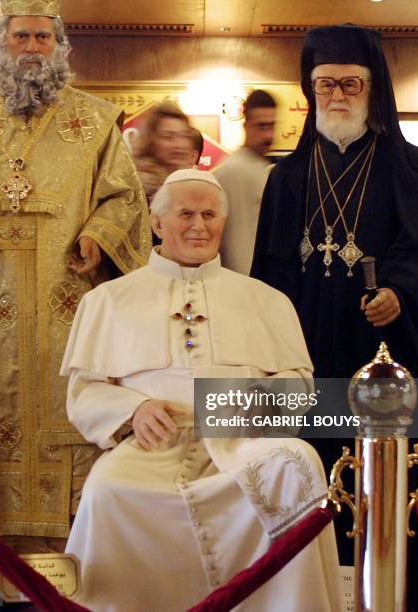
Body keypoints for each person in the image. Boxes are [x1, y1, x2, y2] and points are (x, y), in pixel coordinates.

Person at [0, 0, 150, 572]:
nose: (32, 48)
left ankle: (75, 563)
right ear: (2, 44)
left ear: (60, 47)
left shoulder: (98, 122)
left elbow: (124, 196)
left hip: (67, 294)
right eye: (22, 36)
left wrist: (100, 235)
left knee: (70, 411)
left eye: (43, 38)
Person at [61, 169, 341, 611]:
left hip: (242, 441)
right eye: (186, 213)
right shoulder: (108, 301)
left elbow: (299, 385)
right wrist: (133, 410)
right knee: (107, 488)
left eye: (210, 214)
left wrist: (245, 404)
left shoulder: (267, 299)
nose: (200, 225)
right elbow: (84, 390)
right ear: (157, 223)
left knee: (297, 464)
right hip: (153, 447)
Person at [251, 24, 418, 611]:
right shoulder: (286, 176)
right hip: (307, 356)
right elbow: (268, 274)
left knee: (391, 495)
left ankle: (395, 601)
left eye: (348, 83)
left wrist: (400, 295)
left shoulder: (409, 167)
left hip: (386, 358)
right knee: (311, 485)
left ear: (371, 88)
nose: (336, 95)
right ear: (310, 90)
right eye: (324, 84)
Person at [214, 90, 276, 275]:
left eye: (272, 126)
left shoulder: (263, 168)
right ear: (246, 126)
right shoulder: (232, 171)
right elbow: (238, 245)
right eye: (261, 127)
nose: (268, 135)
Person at [132, 101, 193, 203]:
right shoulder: (137, 188)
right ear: (150, 140)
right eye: (168, 137)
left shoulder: (189, 181)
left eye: (185, 135)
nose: (179, 144)